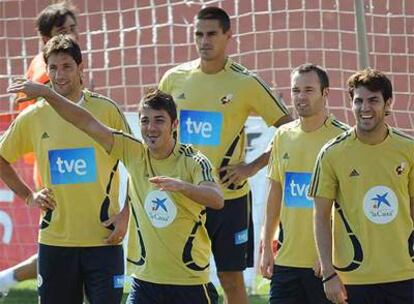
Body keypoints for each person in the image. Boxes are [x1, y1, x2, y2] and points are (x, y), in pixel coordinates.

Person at [8, 82, 224, 303]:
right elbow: (85, 121)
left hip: (189, 282)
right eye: (145, 120)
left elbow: (216, 199)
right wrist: (47, 93)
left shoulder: (194, 161)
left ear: (175, 124)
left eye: (159, 120)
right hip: (145, 283)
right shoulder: (132, 152)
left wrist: (182, 186)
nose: (151, 128)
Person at [159, 7, 291, 303]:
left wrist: (251, 167)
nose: (204, 41)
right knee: (182, 278)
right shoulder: (174, 79)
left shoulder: (245, 82)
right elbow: (156, 122)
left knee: (231, 280)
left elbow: (289, 130)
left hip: (229, 201)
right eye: (199, 34)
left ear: (228, 36)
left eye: (211, 34)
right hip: (185, 197)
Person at [1, 35, 131, 304]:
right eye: (53, 68)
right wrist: (28, 196)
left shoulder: (105, 110)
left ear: (81, 68)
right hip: (55, 243)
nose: (59, 75)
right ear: (46, 70)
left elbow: (140, 164)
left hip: (103, 240)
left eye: (67, 67)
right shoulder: (34, 116)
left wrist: (126, 214)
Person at [309, 68, 414, 304]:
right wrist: (328, 273)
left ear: (388, 103)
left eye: (373, 100)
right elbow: (321, 217)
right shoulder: (332, 153)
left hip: (405, 273)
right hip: (352, 277)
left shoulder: (408, 149)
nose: (365, 108)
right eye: (358, 101)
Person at [0, 2, 80, 298]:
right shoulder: (50, 72)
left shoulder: (44, 64)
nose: (71, 35)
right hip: (58, 166)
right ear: (47, 40)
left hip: (62, 162)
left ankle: (6, 279)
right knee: (65, 245)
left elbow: (17, 104)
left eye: (73, 28)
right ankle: (7, 279)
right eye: (63, 30)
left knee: (71, 243)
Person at [259, 63, 349, 303]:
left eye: (308, 90)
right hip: (286, 261)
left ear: (325, 94)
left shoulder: (343, 139)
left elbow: (349, 205)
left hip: (324, 264)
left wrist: (331, 258)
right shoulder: (282, 135)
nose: (300, 97)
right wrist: (267, 244)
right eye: (296, 90)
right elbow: (274, 192)